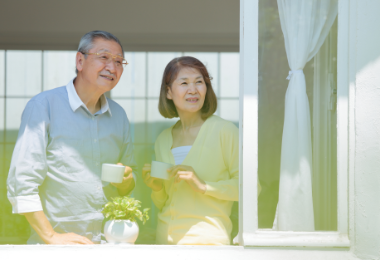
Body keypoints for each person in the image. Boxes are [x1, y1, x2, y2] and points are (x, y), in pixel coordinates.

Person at [6, 31, 137, 244]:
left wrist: (127, 181)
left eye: (119, 61)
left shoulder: (119, 115)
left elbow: (130, 180)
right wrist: (51, 236)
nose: (112, 68)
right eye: (104, 57)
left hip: (108, 245)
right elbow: (21, 182)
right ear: (80, 60)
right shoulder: (43, 106)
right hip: (54, 249)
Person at [142, 56, 240, 245]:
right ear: (169, 92)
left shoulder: (225, 131)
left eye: (199, 82)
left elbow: (250, 189)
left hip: (208, 242)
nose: (193, 90)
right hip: (165, 241)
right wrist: (157, 189)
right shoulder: (163, 139)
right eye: (184, 83)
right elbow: (166, 202)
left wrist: (204, 186)